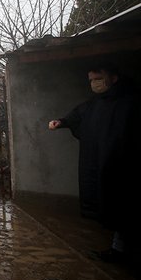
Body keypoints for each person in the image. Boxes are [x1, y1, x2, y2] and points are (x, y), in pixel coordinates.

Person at [48, 63, 139, 264]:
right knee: (116, 205)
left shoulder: (130, 102)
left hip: (125, 164)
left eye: (98, 78)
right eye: (91, 80)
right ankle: (119, 250)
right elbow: (79, 115)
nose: (94, 83)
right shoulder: (96, 103)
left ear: (113, 77)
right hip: (105, 163)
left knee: (126, 205)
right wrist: (62, 122)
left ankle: (123, 251)